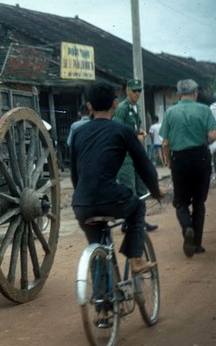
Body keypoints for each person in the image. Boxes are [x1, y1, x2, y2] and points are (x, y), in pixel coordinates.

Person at [70, 81, 163, 276]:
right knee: (137, 207)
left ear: (89, 107)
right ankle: (136, 260)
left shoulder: (78, 133)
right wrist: (155, 191)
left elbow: (75, 174)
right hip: (110, 197)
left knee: (96, 243)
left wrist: (83, 194)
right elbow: (144, 166)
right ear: (114, 103)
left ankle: (101, 299)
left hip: (82, 203)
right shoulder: (122, 130)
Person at [159, 79, 216, 257]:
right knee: (199, 202)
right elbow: (212, 136)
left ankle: (187, 228)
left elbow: (165, 143)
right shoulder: (204, 110)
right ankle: (197, 244)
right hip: (201, 157)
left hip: (180, 159)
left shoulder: (170, 112)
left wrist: (168, 161)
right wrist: (204, 141)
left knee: (181, 202)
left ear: (178, 94)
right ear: (196, 93)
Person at [113, 79, 157, 231]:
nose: (137, 93)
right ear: (127, 91)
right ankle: (128, 223)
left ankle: (140, 221)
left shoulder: (136, 108)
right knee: (129, 190)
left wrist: (140, 132)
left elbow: (132, 128)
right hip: (125, 157)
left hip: (135, 154)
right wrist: (134, 139)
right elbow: (117, 132)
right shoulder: (122, 108)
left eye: (139, 91)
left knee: (141, 189)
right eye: (134, 90)